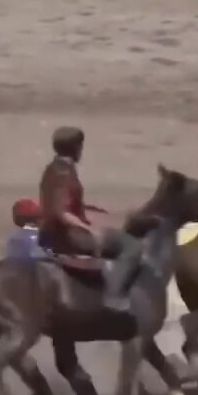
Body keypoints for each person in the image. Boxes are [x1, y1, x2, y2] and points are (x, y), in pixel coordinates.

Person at [38, 126, 143, 313]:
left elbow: (57, 203)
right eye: (80, 146)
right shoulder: (65, 174)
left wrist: (90, 210)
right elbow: (62, 213)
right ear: (75, 147)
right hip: (68, 236)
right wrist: (89, 229)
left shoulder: (53, 168)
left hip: (52, 231)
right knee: (132, 246)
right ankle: (114, 295)